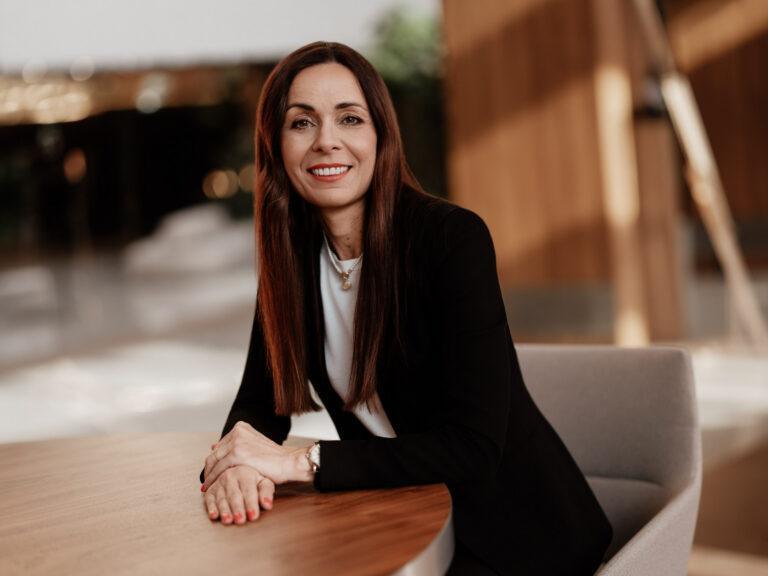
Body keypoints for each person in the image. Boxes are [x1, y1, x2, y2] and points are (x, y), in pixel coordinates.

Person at [198, 41, 612, 575]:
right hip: (405, 520)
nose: (327, 141)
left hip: (517, 539)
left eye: (350, 118)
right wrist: (238, 466)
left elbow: (472, 447)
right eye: (301, 123)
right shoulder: (292, 260)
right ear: (275, 146)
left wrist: (300, 462)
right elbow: (258, 403)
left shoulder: (452, 241)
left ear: (381, 135)